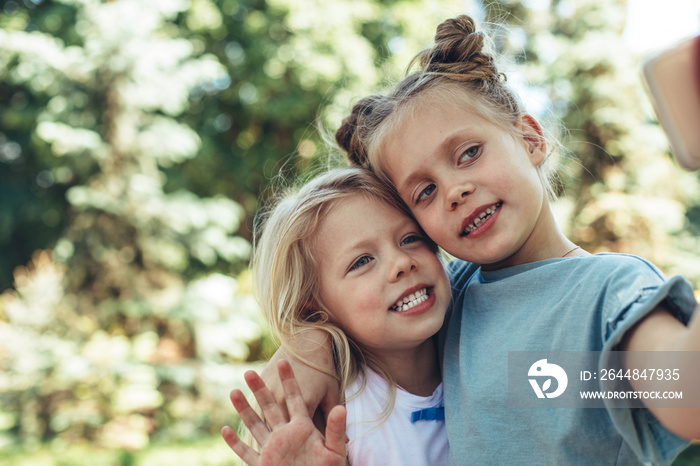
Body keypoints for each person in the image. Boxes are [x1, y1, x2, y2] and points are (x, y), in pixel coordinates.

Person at [260, 14, 700, 465]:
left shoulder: (607, 293)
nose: (454, 191)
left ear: (529, 138)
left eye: (468, 153)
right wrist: (310, 346)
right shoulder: (452, 296)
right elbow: (356, 312)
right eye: (425, 191)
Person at [221, 167, 452, 465]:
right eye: (362, 261)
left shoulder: (481, 329)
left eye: (409, 239)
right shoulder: (336, 415)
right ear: (313, 308)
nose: (402, 262)